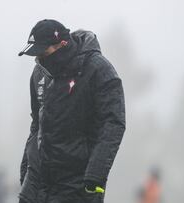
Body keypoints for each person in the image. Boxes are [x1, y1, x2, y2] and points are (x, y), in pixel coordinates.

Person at [18, 19, 126, 203]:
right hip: (37, 182)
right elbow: (37, 124)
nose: (39, 60)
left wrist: (95, 174)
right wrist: (26, 167)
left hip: (78, 184)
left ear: (62, 44)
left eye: (44, 53)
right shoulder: (38, 74)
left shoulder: (98, 69)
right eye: (36, 56)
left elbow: (114, 122)